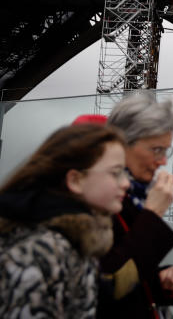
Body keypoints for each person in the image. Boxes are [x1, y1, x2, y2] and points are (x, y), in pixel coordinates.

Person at [0, 124, 129, 318]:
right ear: (76, 180)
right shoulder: (41, 250)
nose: (126, 182)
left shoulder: (78, 242)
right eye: (115, 172)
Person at [100, 93, 173, 319]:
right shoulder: (96, 199)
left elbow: (128, 275)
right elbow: (102, 287)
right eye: (156, 150)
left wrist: (162, 282)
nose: (163, 161)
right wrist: (152, 215)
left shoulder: (133, 197)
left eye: (166, 150)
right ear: (123, 144)